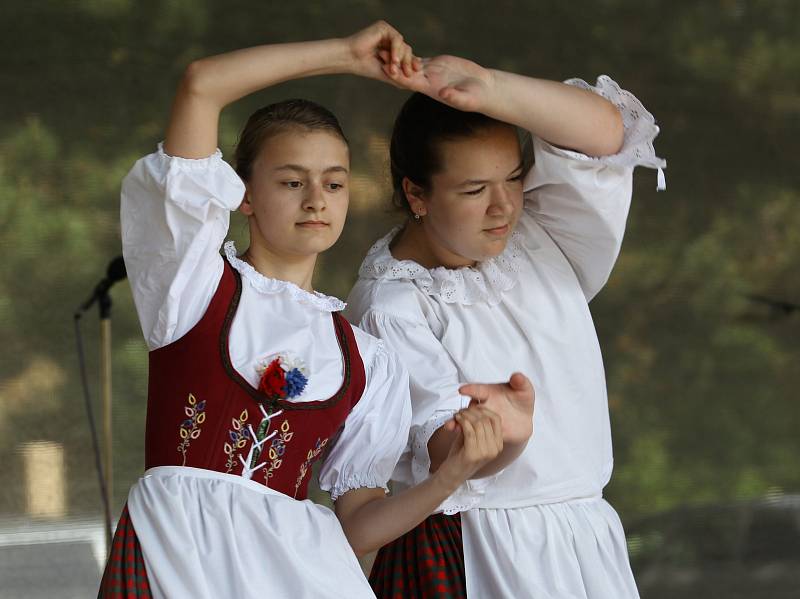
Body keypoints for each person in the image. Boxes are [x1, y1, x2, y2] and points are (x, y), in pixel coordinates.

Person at [98, 23, 524, 599]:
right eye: (292, 180)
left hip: (297, 577)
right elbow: (202, 85)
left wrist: (450, 477)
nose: (316, 199)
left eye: (335, 183)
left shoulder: (366, 360)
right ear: (243, 195)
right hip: (178, 564)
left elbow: (356, 527)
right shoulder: (193, 285)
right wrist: (343, 55)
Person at [345, 53, 666, 598]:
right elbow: (444, 455)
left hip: (584, 539)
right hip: (479, 551)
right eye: (473, 191)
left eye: (513, 179)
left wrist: (492, 88)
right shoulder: (392, 304)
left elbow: (610, 131)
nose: (503, 208)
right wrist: (496, 434)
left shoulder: (540, 231)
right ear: (416, 195)